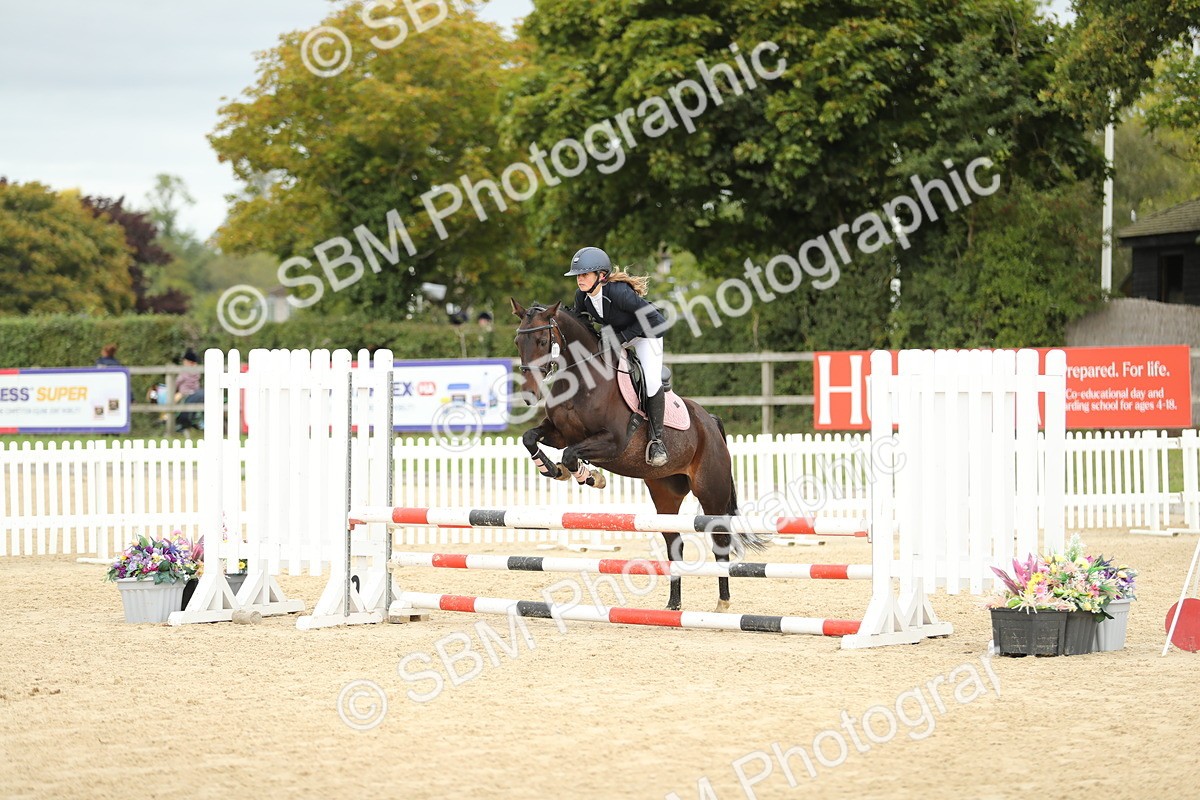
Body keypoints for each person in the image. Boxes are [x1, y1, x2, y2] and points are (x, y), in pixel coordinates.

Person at [566, 246, 670, 466]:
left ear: (601, 276)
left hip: (647, 335)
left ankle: (657, 441)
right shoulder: (582, 296)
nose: (579, 279)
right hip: (618, 335)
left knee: (651, 381)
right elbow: (578, 322)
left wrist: (622, 338)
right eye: (578, 275)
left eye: (584, 274)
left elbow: (655, 319)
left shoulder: (619, 292)